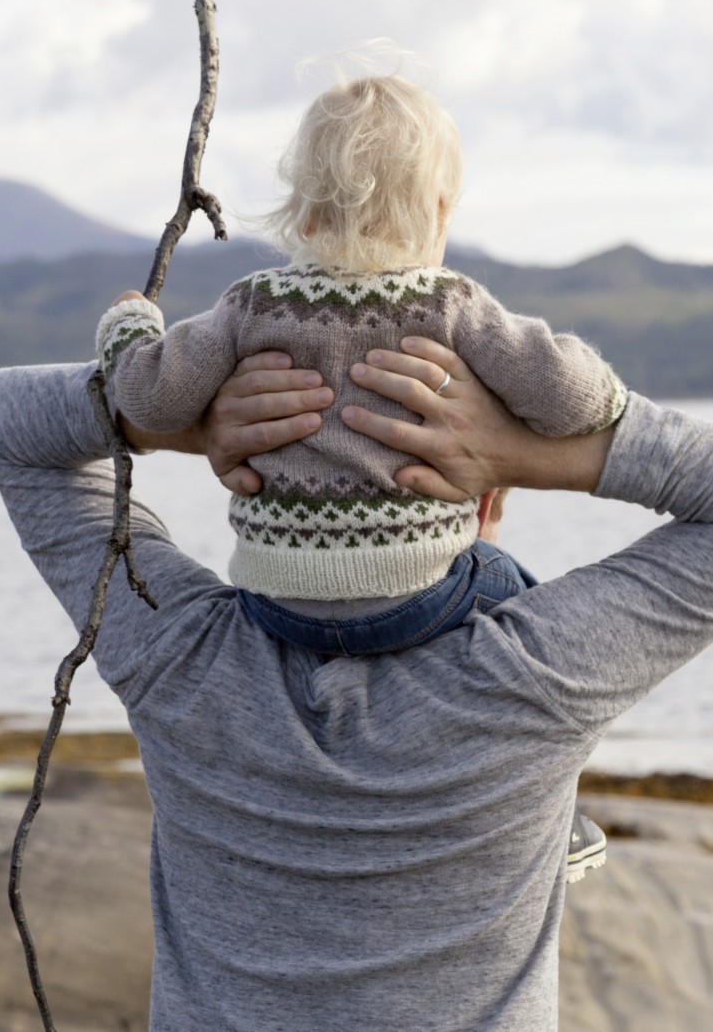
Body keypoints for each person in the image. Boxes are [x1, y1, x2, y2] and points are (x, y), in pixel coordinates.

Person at [0, 337, 713, 1029]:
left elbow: (6, 425)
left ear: (258, 496)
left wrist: (181, 417)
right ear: (484, 499)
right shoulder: (530, 679)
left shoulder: (179, 653)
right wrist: (528, 449)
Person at [96, 71, 629, 879]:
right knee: (526, 608)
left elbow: (147, 396)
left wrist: (129, 326)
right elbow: (571, 399)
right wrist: (606, 386)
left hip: (275, 604)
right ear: (440, 212)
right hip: (420, 597)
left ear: (303, 211)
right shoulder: (449, 302)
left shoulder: (252, 304)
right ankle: (549, 810)